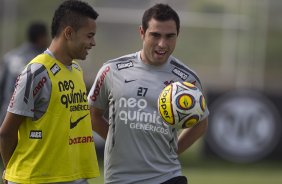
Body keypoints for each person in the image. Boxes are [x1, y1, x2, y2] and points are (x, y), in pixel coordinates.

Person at [88, 3, 209, 184]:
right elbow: (92, 114)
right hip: (119, 179)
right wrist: (118, 143)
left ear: (178, 35)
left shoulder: (187, 80)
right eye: (155, 35)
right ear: (142, 33)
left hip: (168, 176)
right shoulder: (112, 70)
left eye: (170, 36)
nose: (162, 44)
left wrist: (173, 151)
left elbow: (201, 123)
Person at [0, 0, 100, 183]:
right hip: (35, 178)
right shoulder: (38, 71)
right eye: (89, 36)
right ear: (68, 33)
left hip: (72, 176)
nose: (93, 42)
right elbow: (7, 131)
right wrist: (9, 170)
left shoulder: (76, 70)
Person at [0, 21, 49, 123]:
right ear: (41, 37)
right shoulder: (42, 61)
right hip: (28, 118)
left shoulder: (10, 56)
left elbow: (2, 88)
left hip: (6, 115)